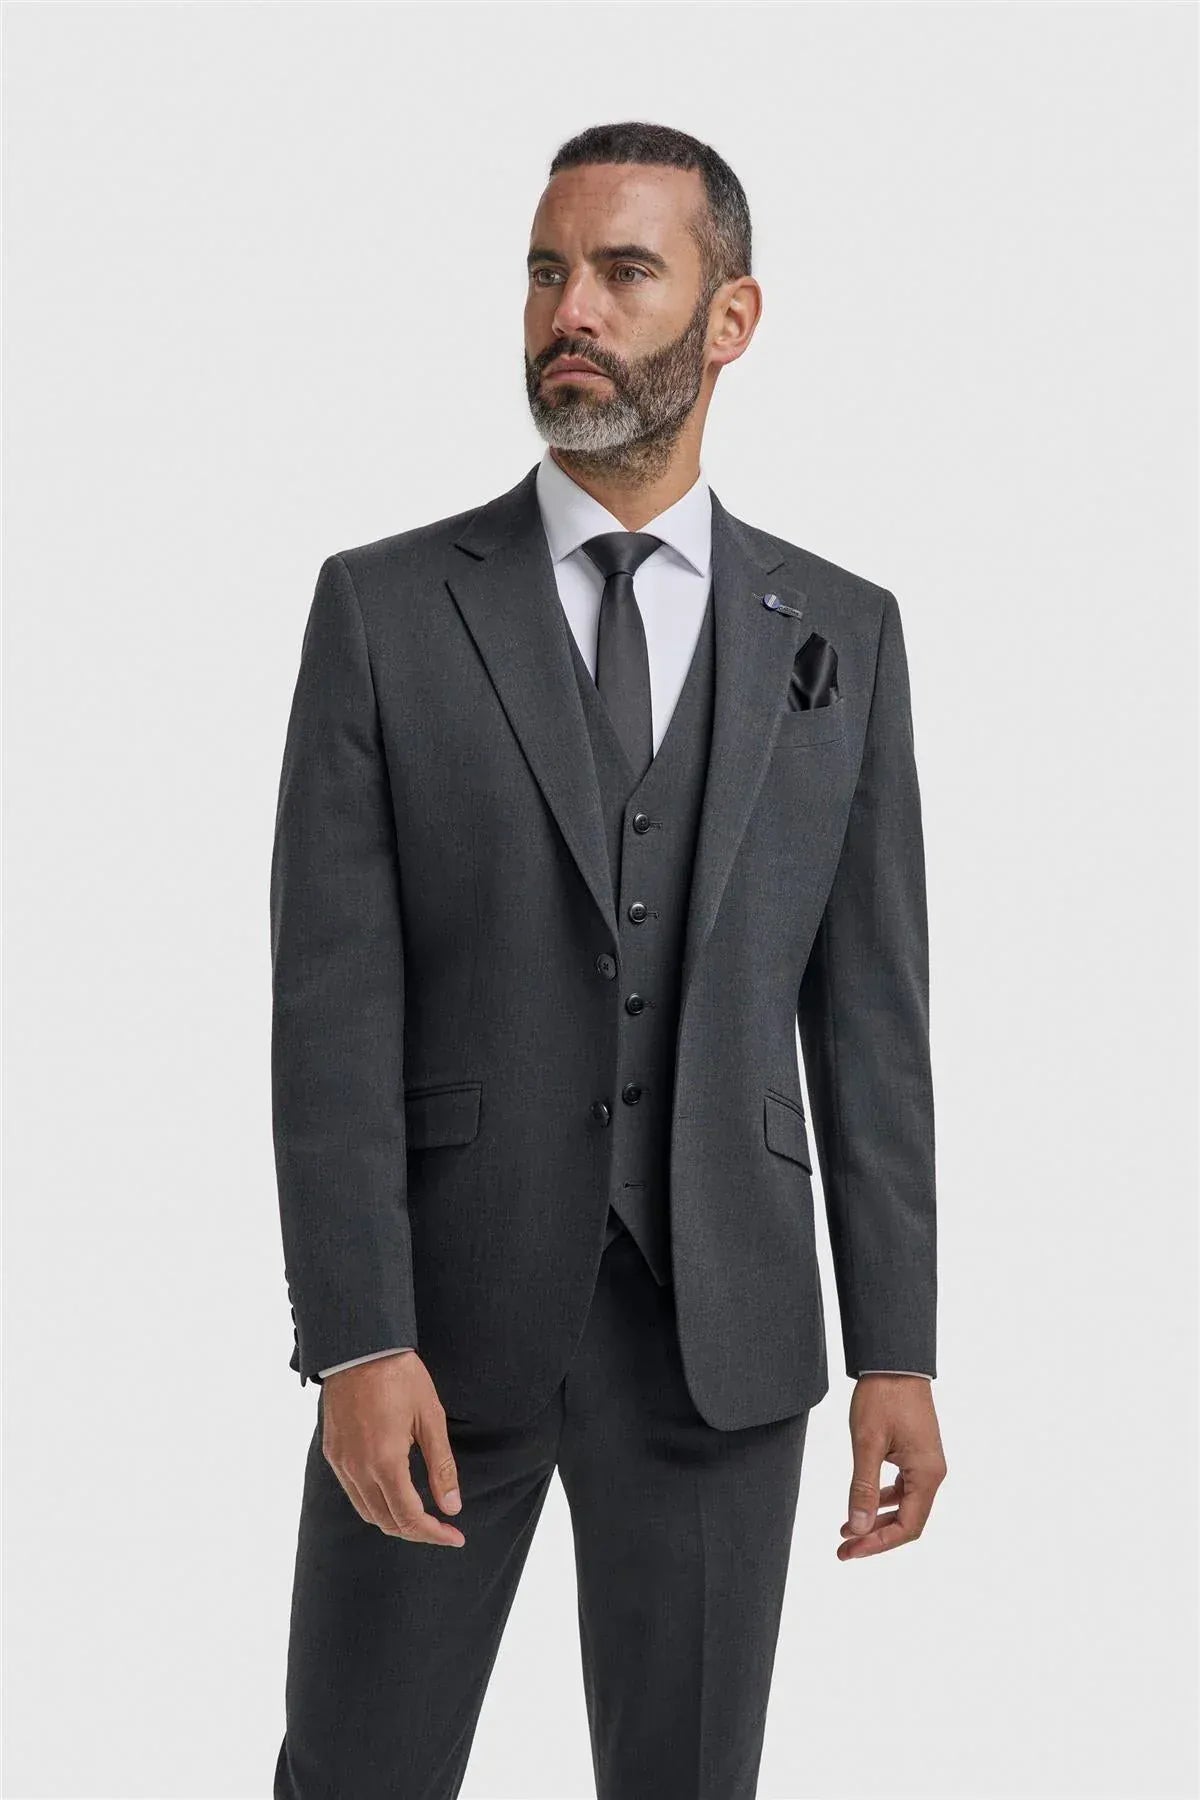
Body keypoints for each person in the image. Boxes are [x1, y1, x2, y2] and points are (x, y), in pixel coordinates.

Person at [269, 118, 947, 1800]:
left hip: (724, 1336)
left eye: (624, 272)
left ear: (731, 318)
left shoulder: (843, 632)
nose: (568, 309)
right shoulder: (384, 610)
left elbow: (871, 1022)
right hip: (439, 1331)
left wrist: (899, 1349)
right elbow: (330, 1011)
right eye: (545, 271)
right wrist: (356, 1337)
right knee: (355, 1774)